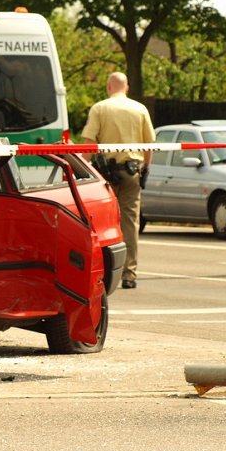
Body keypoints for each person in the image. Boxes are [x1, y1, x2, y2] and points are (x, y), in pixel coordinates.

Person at [82, 72, 155, 290]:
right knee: (130, 222)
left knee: (103, 223)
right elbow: (149, 142)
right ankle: (129, 274)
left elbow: (88, 142)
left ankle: (103, 271)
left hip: (106, 175)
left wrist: (80, 170)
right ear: (128, 87)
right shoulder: (140, 109)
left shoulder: (100, 108)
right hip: (132, 170)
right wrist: (145, 168)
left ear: (108, 86)